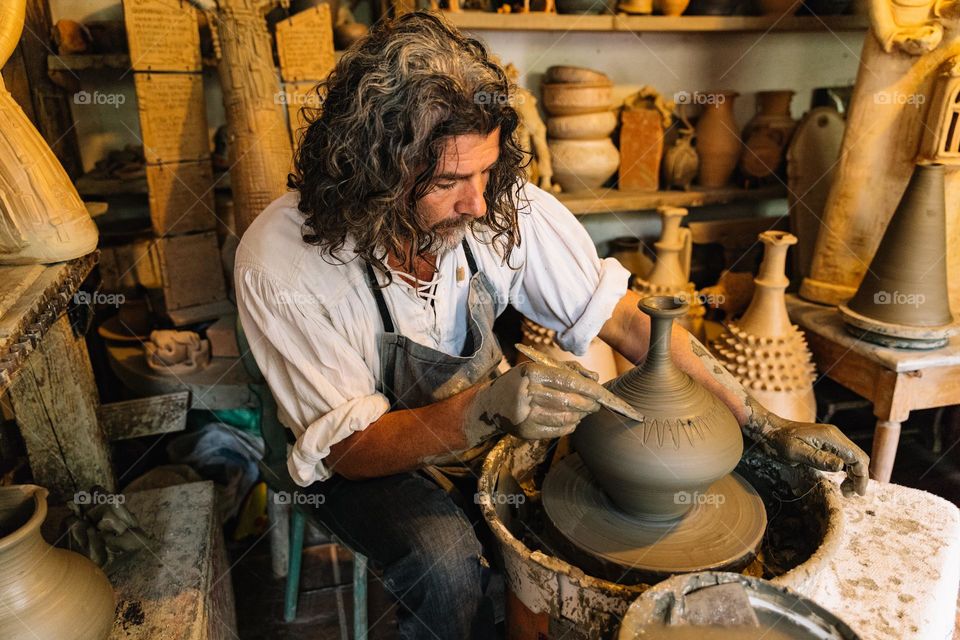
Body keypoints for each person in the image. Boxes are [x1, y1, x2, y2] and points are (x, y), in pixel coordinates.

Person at [235, 12, 868, 639]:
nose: (477, 203)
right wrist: (486, 409)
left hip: (485, 419)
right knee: (445, 561)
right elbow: (351, 449)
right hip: (368, 463)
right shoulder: (287, 263)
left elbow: (627, 323)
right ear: (375, 172)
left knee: (573, 509)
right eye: (450, 181)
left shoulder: (500, 208)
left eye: (485, 172)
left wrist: (763, 422)